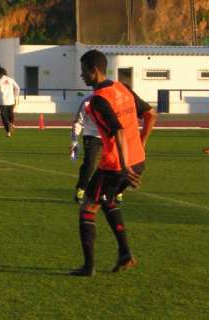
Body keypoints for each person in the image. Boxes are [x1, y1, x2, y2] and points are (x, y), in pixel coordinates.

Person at [70, 49, 157, 277]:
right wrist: (141, 145)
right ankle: (125, 254)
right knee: (107, 201)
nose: (81, 76)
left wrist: (125, 165)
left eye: (83, 71)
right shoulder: (122, 88)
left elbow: (117, 131)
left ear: (94, 70)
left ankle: (88, 267)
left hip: (117, 165)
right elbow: (151, 114)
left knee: (88, 206)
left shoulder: (99, 100)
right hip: (137, 160)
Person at [0, 67, 20, 137]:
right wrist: (15, 96)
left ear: (0, 73)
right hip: (11, 100)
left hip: (2, 101)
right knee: (11, 113)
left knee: (4, 117)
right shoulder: (11, 80)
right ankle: (12, 123)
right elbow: (17, 88)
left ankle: (8, 132)